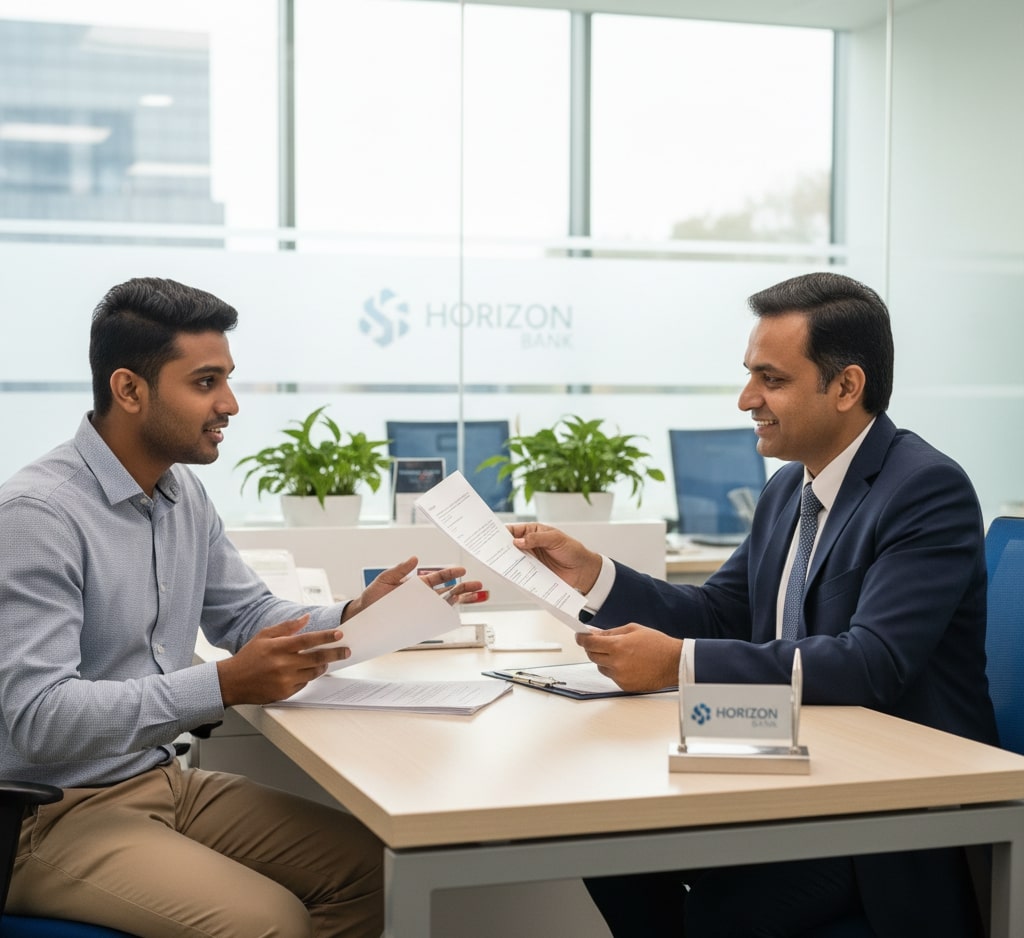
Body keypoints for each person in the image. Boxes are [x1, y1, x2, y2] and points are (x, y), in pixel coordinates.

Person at [510, 272, 997, 938]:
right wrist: (596, 576)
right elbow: (720, 613)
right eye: (750, 376)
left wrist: (679, 664)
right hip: (795, 776)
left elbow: (872, 663)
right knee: (607, 850)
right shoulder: (786, 491)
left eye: (772, 379)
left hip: (884, 818)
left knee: (718, 908)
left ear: (847, 387)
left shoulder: (924, 489)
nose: (747, 399)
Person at [0, 277, 485, 937]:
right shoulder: (38, 516)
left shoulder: (182, 497)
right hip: (46, 816)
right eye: (205, 383)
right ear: (129, 390)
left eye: (226, 379)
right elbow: (38, 720)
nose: (228, 403)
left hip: (156, 781)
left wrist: (358, 614)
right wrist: (221, 685)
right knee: (272, 923)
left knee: (375, 869)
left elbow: (248, 616)